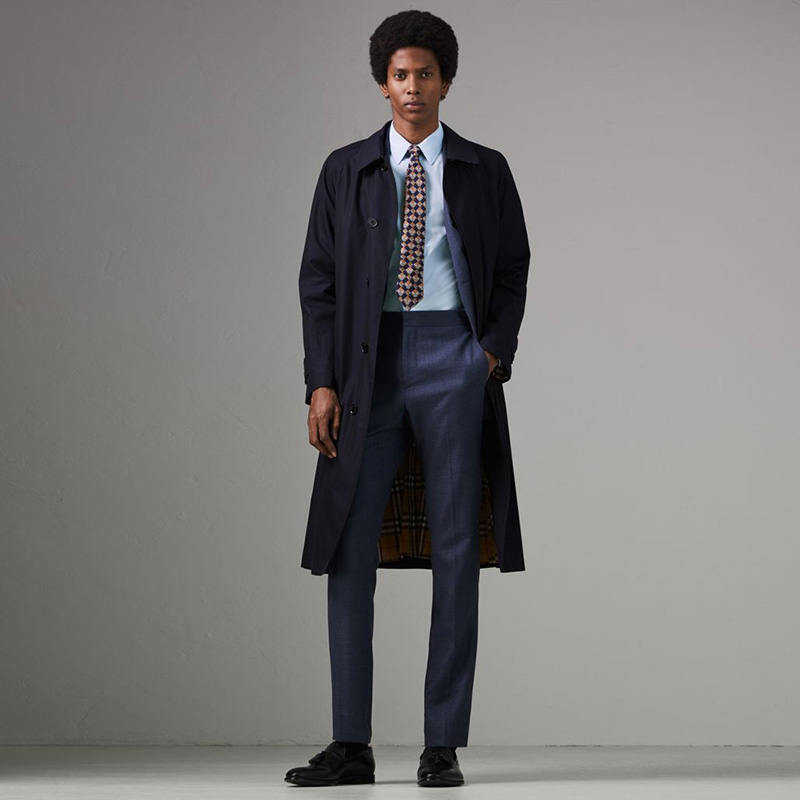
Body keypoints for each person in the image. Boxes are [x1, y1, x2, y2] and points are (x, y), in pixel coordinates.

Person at [287, 8, 531, 788]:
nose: (413, 87)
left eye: (426, 73)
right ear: (382, 83)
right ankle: (350, 744)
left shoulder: (486, 169)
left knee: (457, 548)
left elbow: (513, 268)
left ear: (446, 82)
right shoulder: (346, 169)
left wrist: (486, 354)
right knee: (348, 547)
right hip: (368, 367)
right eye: (400, 74)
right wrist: (321, 381)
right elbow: (318, 284)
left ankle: (441, 744)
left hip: (452, 358)